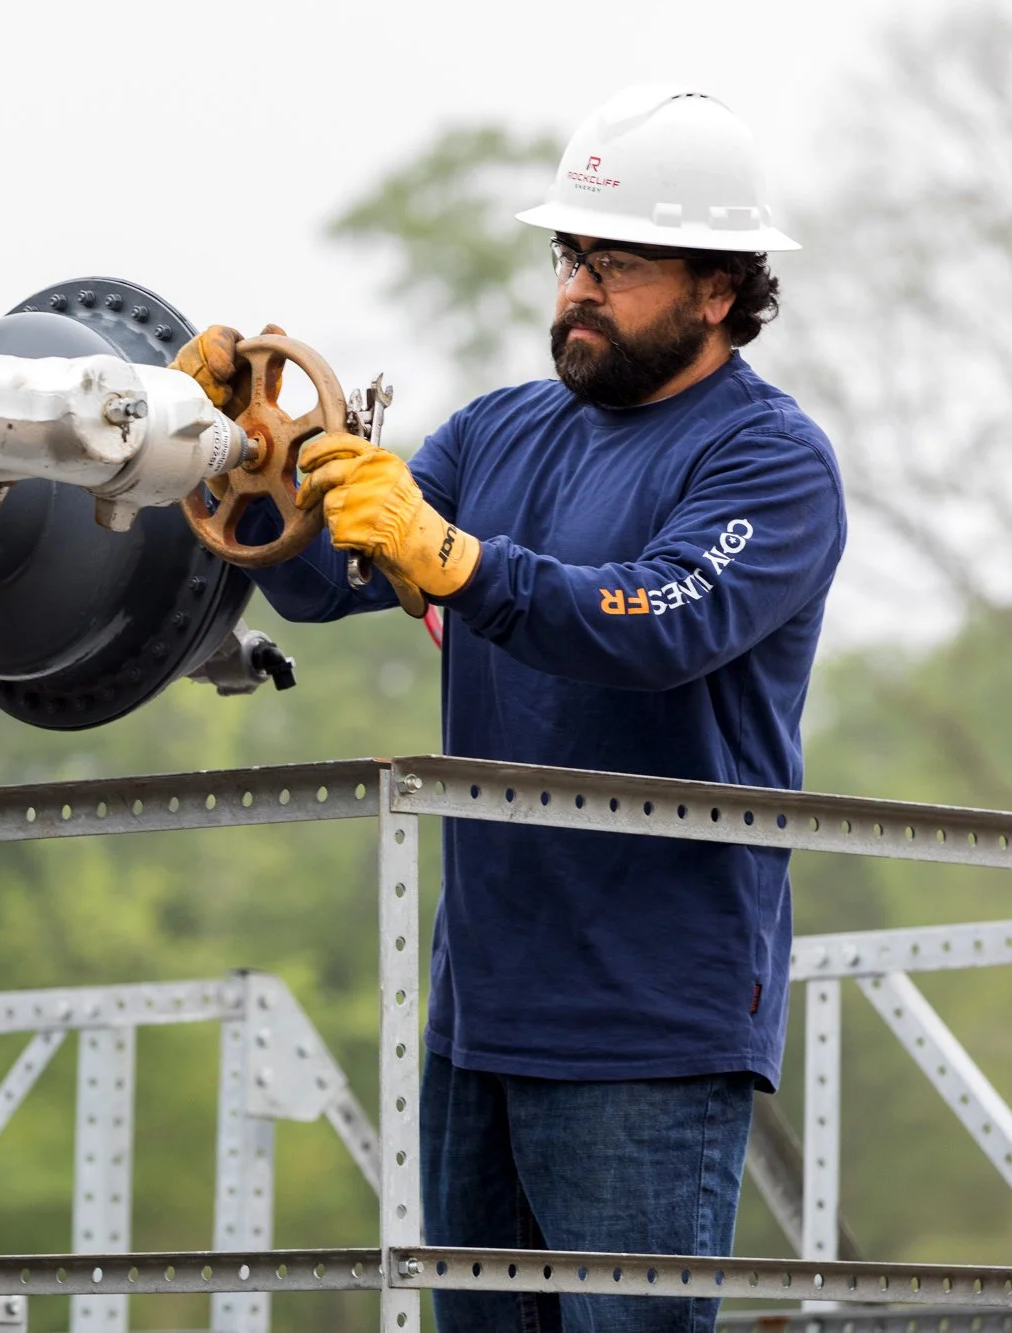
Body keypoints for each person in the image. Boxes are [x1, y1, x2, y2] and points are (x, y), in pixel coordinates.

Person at [176, 84, 845, 1333]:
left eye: (618, 261)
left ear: (716, 290)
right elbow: (321, 578)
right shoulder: (497, 432)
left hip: (647, 1023)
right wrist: (238, 451)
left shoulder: (766, 460)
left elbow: (657, 620)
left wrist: (461, 564)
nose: (577, 288)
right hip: (479, 1004)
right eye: (567, 254)